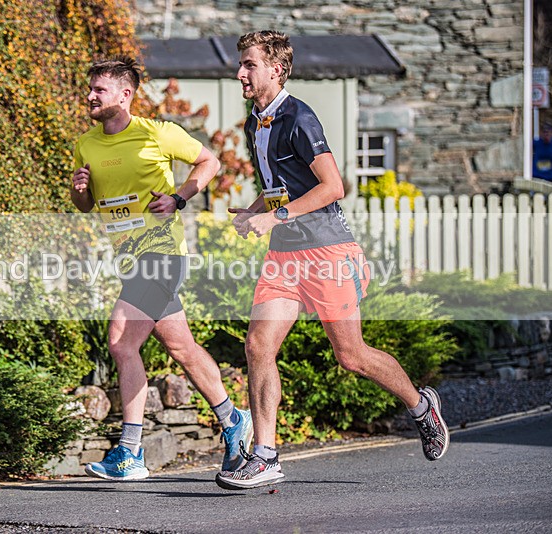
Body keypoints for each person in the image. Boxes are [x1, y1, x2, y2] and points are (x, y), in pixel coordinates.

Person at [215, 31, 449, 490]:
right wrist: (254, 212)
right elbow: (281, 187)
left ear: (275, 69)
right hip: (285, 255)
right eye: (240, 65)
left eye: (248, 65)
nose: (240, 73)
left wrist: (276, 215)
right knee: (259, 346)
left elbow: (331, 187)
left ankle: (421, 406)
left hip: (326, 251)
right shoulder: (253, 124)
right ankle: (265, 455)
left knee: (351, 356)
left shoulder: (300, 116)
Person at [71, 57, 253, 481]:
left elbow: (209, 162)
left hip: (163, 254)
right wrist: (80, 191)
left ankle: (131, 452)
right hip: (130, 259)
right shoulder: (86, 144)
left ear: (124, 95)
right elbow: (86, 204)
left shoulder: (157, 133)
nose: (90, 96)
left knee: (120, 340)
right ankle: (232, 420)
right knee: (182, 348)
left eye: (99, 90)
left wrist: (180, 197)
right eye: (91, 89)